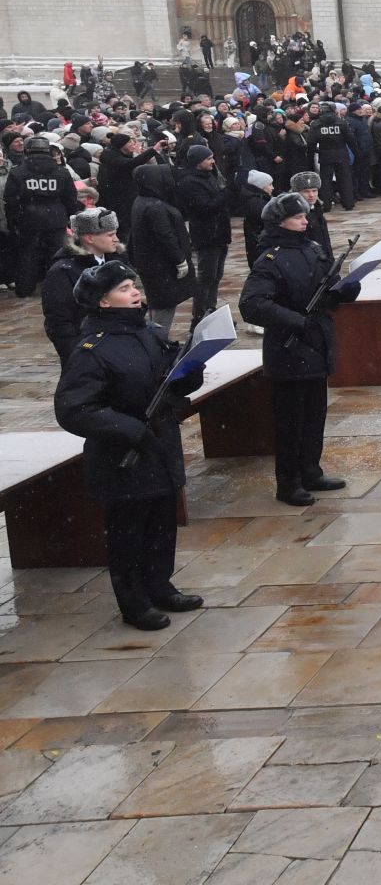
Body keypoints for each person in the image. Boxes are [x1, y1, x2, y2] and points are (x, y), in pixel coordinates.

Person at [52, 257, 206, 632]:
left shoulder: (149, 332)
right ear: (103, 302)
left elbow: (168, 381)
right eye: (124, 288)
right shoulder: (92, 349)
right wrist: (126, 428)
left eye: (134, 285)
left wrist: (192, 369)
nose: (136, 291)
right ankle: (133, 601)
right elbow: (74, 409)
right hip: (123, 456)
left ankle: (159, 584)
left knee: (161, 523)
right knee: (128, 532)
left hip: (160, 446)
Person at [239, 192, 358, 506]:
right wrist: (295, 321)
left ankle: (311, 470)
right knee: (290, 421)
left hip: (317, 344)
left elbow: (324, 290)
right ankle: (288, 482)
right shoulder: (271, 258)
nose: (306, 220)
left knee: (315, 414)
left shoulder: (313, 248)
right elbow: (252, 305)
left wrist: (345, 290)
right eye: (298, 217)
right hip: (289, 351)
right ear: (281, 222)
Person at [43, 208, 124, 363]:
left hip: (114, 349)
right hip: (88, 354)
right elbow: (58, 323)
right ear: (89, 238)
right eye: (110, 235)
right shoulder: (62, 272)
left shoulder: (116, 261)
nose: (116, 239)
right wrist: (78, 355)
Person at [6, 134, 80, 297]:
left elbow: (11, 201)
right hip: (56, 217)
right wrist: (68, 216)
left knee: (27, 255)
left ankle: (25, 289)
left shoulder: (18, 172)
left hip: (29, 218)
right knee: (57, 254)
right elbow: (70, 198)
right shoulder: (60, 171)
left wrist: (14, 223)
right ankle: (60, 288)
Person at [127, 163, 193, 338]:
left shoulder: (141, 201)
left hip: (151, 264)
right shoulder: (155, 206)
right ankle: (158, 344)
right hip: (161, 266)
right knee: (164, 307)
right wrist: (180, 260)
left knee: (158, 306)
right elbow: (166, 235)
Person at [175, 143, 232, 326]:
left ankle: (211, 311)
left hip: (219, 233)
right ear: (198, 162)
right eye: (208, 159)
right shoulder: (189, 182)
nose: (213, 161)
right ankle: (200, 315)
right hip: (207, 234)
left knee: (216, 275)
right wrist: (228, 192)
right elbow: (206, 208)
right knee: (206, 277)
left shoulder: (208, 175)